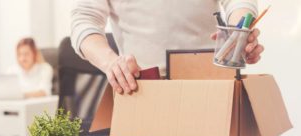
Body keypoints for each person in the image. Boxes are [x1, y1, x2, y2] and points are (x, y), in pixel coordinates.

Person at [71, 0, 264, 94]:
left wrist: (239, 31)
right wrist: (111, 63)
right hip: (143, 90)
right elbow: (84, 19)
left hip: (212, 89)